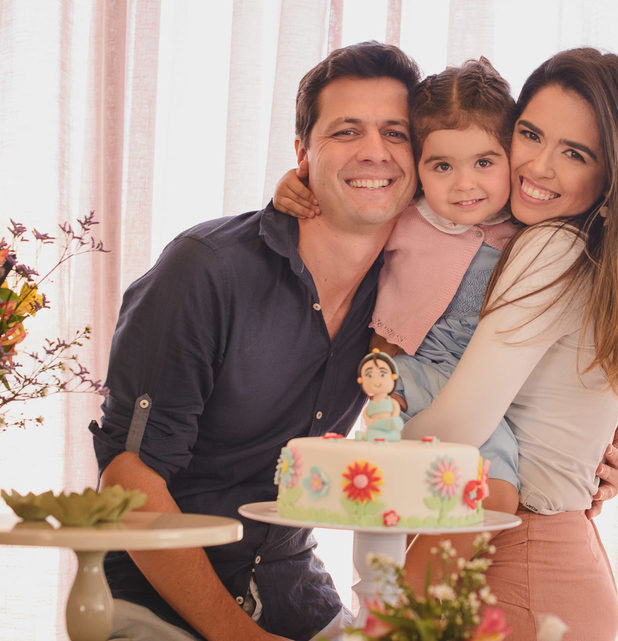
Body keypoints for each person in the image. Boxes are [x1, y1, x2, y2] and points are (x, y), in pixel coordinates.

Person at [275, 47, 618, 640]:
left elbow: (460, 427)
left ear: (612, 173)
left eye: (575, 153)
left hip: (515, 566)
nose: (539, 167)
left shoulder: (547, 247)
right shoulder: (576, 246)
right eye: (530, 135)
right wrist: (301, 184)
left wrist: (356, 463)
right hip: (542, 557)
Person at [89, 41, 421, 641]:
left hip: (299, 600)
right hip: (161, 610)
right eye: (346, 131)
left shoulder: (409, 294)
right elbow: (128, 478)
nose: (375, 151)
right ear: (303, 154)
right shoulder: (207, 270)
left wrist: (584, 461)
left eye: (395, 133)